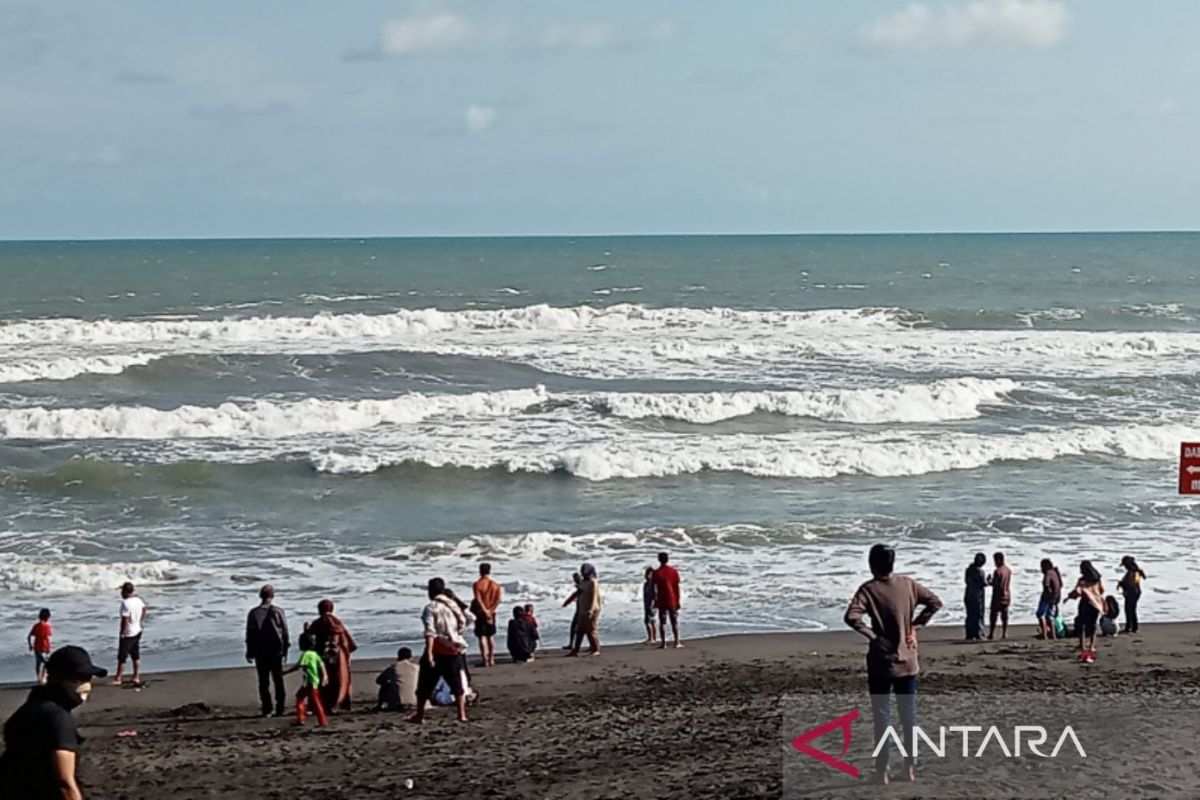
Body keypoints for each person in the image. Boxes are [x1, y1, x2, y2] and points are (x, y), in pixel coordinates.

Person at [844, 544, 943, 786]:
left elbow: (851, 617)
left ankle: (882, 771)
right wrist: (914, 627)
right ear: (892, 563)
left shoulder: (869, 589)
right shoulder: (908, 584)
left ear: (871, 564)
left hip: (882, 663)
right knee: (908, 717)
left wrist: (873, 636)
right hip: (908, 661)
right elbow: (935, 603)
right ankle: (909, 767)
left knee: (882, 718)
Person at [0, 645, 107, 800]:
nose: (85, 685)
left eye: (88, 678)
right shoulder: (57, 718)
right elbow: (64, 783)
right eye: (78, 678)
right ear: (57, 678)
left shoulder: (33, 705)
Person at [408, 578, 470, 725]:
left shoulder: (431, 607)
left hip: (437, 649)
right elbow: (467, 620)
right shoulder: (452, 606)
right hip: (454, 649)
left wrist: (429, 653)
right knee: (456, 684)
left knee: (424, 685)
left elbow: (430, 632)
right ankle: (461, 714)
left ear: (430, 591)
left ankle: (419, 715)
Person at [245, 584, 290, 717]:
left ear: (260, 596)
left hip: (260, 652)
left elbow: (250, 634)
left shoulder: (253, 613)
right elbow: (285, 632)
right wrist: (285, 649)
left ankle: (267, 708)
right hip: (276, 651)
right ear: (273, 595)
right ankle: (280, 707)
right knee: (278, 679)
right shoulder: (278, 611)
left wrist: (249, 651)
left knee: (263, 681)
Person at [307, 599, 357, 712]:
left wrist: (305, 631)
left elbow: (309, 640)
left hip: (321, 654)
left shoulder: (318, 622)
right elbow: (347, 641)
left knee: (323, 679)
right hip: (338, 655)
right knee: (339, 678)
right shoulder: (337, 622)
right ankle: (340, 702)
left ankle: (325, 703)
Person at [283, 633, 328, 727]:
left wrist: (285, 672)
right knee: (307, 699)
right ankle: (320, 720)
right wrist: (325, 677)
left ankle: (307, 719)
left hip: (309, 682)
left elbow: (298, 666)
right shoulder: (315, 654)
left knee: (306, 700)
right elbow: (322, 666)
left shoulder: (306, 655)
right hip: (314, 681)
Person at [1067, 560, 1105, 664]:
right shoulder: (1097, 579)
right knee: (1092, 625)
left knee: (1081, 624)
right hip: (1096, 604)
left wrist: (1069, 596)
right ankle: (1092, 646)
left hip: (1085, 603)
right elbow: (1102, 590)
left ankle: (1082, 645)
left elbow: (1077, 592)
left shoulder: (1082, 580)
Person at [113, 582, 148, 686]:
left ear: (125, 591)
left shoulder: (126, 603)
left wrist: (122, 632)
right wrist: (140, 620)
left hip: (129, 632)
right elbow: (144, 609)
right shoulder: (138, 600)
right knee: (135, 654)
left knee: (122, 656)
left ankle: (118, 678)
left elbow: (125, 619)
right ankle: (136, 676)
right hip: (138, 629)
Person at [471, 563, 502, 668]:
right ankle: (492, 658)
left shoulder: (477, 584)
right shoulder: (495, 585)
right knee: (490, 636)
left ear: (480, 571)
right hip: (491, 613)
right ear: (489, 571)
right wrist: (490, 611)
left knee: (482, 637)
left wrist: (485, 611)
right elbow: (498, 600)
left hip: (480, 613)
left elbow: (478, 599)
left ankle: (485, 659)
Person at [568, 563, 602, 657]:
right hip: (582, 609)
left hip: (592, 609)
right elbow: (579, 593)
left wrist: (591, 610)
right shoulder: (583, 582)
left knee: (591, 629)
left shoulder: (593, 582)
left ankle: (596, 649)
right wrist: (569, 600)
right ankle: (576, 650)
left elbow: (594, 598)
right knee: (579, 630)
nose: (583, 572)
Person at [652, 552, 683, 649]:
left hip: (661, 600)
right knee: (674, 621)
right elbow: (676, 587)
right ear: (667, 559)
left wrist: (655, 600)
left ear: (659, 560)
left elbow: (655, 589)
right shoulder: (674, 571)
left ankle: (664, 643)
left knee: (662, 622)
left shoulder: (656, 573)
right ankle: (677, 642)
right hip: (672, 599)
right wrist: (678, 601)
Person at [374, 647, 418, 712]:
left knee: (385, 684)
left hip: (396, 703)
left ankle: (380, 705)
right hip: (417, 702)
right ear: (410, 657)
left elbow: (379, 680)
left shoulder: (393, 668)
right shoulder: (417, 668)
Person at [986, 552, 1012, 640]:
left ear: (999, 560)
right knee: (1004, 616)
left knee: (994, 615)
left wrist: (989, 581)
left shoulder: (997, 571)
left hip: (998, 596)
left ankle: (991, 634)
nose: (995, 563)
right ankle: (1005, 633)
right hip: (1007, 594)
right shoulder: (1008, 570)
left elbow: (996, 584)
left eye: (995, 560)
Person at [1118, 556, 1146, 634]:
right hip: (1134, 592)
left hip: (1133, 592)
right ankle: (1131, 626)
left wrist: (1123, 584)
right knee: (1130, 609)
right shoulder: (1134, 571)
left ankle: (1132, 627)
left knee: (1130, 609)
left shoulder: (1133, 572)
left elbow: (1132, 583)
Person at [1036, 559, 1063, 640]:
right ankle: (1053, 635)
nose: (1041, 569)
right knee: (1050, 616)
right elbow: (1061, 585)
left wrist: (1047, 593)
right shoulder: (1055, 573)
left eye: (1042, 567)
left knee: (1040, 615)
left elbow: (1046, 584)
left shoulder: (1048, 573)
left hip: (1047, 597)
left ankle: (1045, 635)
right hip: (1055, 597)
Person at [963, 554, 987, 641]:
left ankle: (969, 634)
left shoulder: (968, 570)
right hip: (977, 596)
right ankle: (979, 634)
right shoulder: (980, 572)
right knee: (978, 615)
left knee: (970, 615)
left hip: (968, 594)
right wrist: (989, 581)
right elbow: (983, 583)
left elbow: (966, 581)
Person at [28, 609, 53, 685]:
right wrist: (49, 648)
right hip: (44, 648)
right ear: (47, 617)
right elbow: (47, 638)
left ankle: (39, 678)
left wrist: (30, 645)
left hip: (37, 648)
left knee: (39, 663)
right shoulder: (46, 626)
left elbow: (29, 636)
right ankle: (42, 678)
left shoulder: (36, 626)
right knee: (46, 663)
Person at [561, 572, 582, 649]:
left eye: (576, 579)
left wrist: (567, 602)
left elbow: (576, 594)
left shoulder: (582, 586)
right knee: (584, 629)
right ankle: (572, 644)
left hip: (582, 610)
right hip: (580, 610)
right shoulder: (582, 585)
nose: (575, 581)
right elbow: (575, 594)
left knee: (575, 627)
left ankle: (572, 645)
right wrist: (566, 603)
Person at [642, 567, 658, 644]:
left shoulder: (653, 584)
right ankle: (653, 638)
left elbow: (655, 594)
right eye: (646, 574)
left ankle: (651, 638)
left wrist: (654, 603)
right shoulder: (646, 584)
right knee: (651, 621)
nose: (647, 575)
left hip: (651, 604)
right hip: (647, 604)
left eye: (649, 574)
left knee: (648, 621)